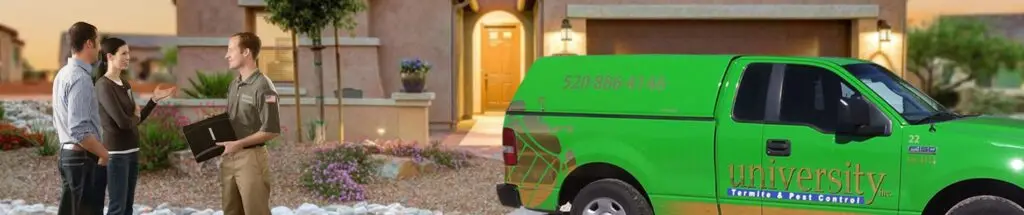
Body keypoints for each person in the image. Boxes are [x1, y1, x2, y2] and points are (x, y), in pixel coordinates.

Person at [93, 37, 177, 215]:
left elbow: (136, 119)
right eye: (123, 53)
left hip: (132, 151)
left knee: (128, 207)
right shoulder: (103, 86)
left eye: (128, 53)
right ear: (109, 56)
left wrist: (153, 100)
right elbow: (123, 122)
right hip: (115, 154)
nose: (128, 57)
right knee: (117, 208)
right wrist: (134, 116)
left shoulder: (125, 84)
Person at [215, 32, 280, 215]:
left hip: (252, 159)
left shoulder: (263, 86)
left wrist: (239, 144)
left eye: (231, 50)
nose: (226, 55)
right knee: (231, 211)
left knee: (255, 211)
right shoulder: (234, 84)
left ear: (246, 52)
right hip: (230, 157)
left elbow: (272, 130)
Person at [52, 21, 107, 215]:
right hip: (82, 159)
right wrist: (105, 154)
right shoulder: (80, 78)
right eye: (98, 42)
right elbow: (80, 130)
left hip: (68, 157)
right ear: (89, 44)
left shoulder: (62, 74)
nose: (100, 48)